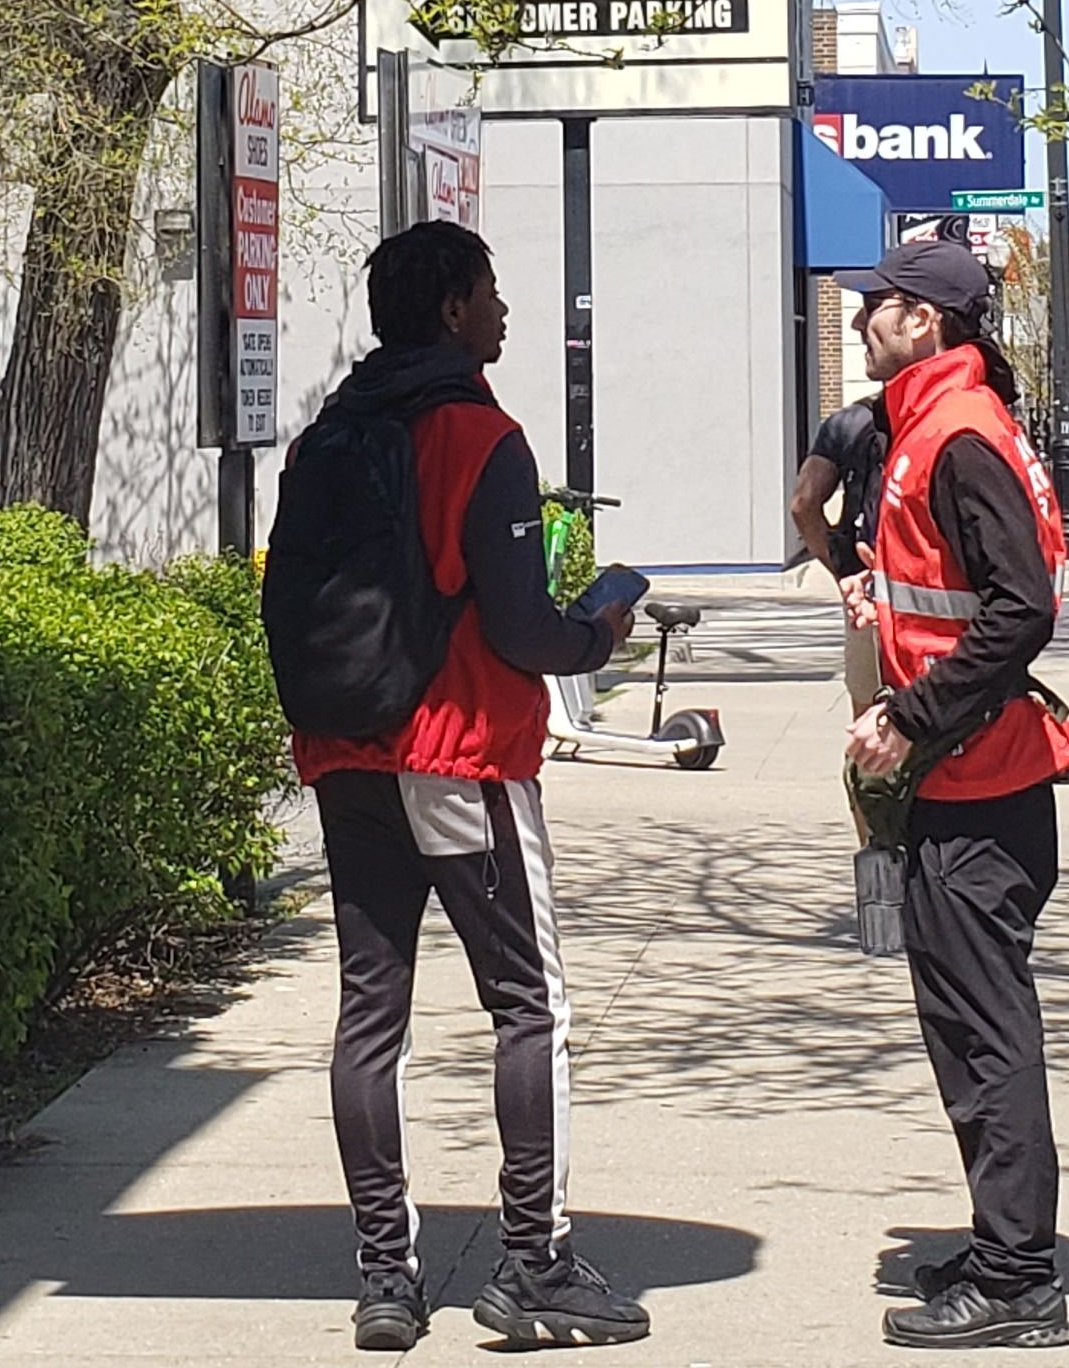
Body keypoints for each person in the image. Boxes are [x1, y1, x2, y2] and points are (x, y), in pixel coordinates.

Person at [276, 221, 652, 1354]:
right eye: (489, 293)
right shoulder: (484, 439)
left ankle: (385, 1278)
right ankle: (534, 1265)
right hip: (462, 755)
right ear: (450, 311)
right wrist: (605, 626)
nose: (502, 311)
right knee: (531, 1005)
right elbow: (527, 632)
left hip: (346, 755)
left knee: (369, 1016)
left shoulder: (328, 436)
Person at [842, 232, 1069, 1349]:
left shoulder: (956, 432)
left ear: (926, 321)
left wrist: (909, 713)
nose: (859, 321)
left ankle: (1018, 1276)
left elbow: (1020, 608)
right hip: (972, 774)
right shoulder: (942, 424)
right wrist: (881, 614)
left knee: (986, 1034)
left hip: (978, 779)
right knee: (968, 1024)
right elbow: (960, 593)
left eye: (878, 306)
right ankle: (1003, 1247)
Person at [790, 380, 893, 728]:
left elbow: (803, 505)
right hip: (941, 599)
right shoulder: (952, 415)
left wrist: (843, 573)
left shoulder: (849, 423)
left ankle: (872, 780)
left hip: (867, 594)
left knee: (868, 719)